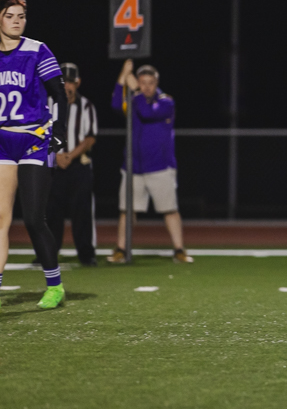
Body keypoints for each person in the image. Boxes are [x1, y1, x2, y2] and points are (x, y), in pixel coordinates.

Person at [0, 0, 69, 309]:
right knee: (0, 219)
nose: (17, 22)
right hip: (2, 140)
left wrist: (60, 132)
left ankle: (54, 285)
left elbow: (59, 93)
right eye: (10, 16)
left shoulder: (36, 49)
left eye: (21, 16)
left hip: (33, 138)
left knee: (32, 219)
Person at [107, 60, 192, 263]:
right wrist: (123, 75)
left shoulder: (165, 102)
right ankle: (122, 248)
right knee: (127, 210)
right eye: (142, 82)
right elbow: (115, 104)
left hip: (160, 167)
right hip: (133, 166)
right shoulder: (135, 100)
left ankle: (179, 250)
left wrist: (134, 87)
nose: (146, 86)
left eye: (150, 82)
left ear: (156, 83)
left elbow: (147, 112)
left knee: (169, 209)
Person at [42, 63, 98, 266]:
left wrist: (69, 156)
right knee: (51, 213)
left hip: (77, 166)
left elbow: (90, 138)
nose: (67, 86)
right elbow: (41, 133)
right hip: (53, 164)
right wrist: (56, 155)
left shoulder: (87, 106)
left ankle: (86, 254)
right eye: (63, 81)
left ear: (78, 82)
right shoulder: (47, 104)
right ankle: (48, 254)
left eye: (71, 81)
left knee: (82, 212)